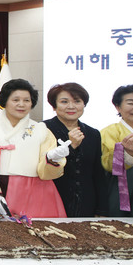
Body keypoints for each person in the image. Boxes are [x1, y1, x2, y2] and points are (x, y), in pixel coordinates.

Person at [0, 78, 69, 218]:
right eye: (15, 100)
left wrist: (52, 159)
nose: (21, 104)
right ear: (4, 101)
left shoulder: (41, 130)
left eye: (26, 100)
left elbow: (46, 173)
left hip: (33, 190)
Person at [43, 82, 103, 217]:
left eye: (77, 101)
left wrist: (101, 210)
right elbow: (42, 168)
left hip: (86, 204)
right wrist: (71, 148)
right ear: (54, 106)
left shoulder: (93, 133)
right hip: (52, 200)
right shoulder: (43, 129)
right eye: (64, 102)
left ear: (84, 105)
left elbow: (98, 173)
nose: (71, 106)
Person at [99, 84, 133, 217]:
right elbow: (108, 165)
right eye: (131, 103)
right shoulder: (109, 132)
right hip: (123, 189)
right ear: (118, 107)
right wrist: (128, 154)